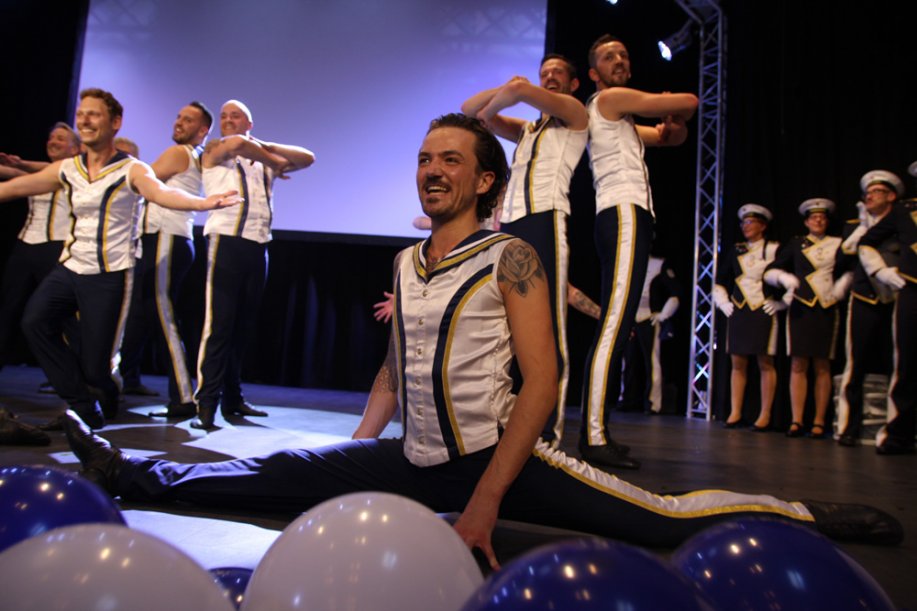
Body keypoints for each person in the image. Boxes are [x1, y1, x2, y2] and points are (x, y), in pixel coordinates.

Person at [63, 114, 902, 572]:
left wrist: (487, 500)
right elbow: (393, 370)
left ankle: (808, 512)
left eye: (450, 161)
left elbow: (543, 383)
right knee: (279, 472)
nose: (431, 170)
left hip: (505, 459)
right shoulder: (404, 261)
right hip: (415, 457)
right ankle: (127, 470)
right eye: (424, 158)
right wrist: (351, 451)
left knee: (660, 518)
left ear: (485, 180)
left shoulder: (512, 256)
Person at [0, 88, 240, 429]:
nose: (85, 120)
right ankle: (83, 406)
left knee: (96, 365)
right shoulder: (70, 168)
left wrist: (204, 203)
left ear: (115, 122)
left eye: (94, 114)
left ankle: (104, 395)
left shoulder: (132, 168)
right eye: (81, 114)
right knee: (34, 322)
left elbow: (161, 192)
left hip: (110, 274)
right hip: (70, 267)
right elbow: (16, 186)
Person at [579, 35, 698, 469]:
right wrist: (672, 107)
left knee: (618, 321)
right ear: (594, 73)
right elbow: (690, 101)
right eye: (609, 56)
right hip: (623, 213)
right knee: (615, 323)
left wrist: (672, 121)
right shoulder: (609, 100)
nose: (620, 60)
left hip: (627, 215)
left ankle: (597, 430)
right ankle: (593, 435)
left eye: (624, 55)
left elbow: (673, 137)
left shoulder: (622, 120)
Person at [460, 54, 588, 446]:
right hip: (513, 224)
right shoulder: (528, 129)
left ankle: (548, 434)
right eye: (544, 73)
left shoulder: (575, 115)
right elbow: (469, 109)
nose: (549, 77)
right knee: (508, 323)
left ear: (573, 83)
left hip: (546, 219)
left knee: (550, 325)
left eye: (557, 73)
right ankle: (509, 421)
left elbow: (511, 94)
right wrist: (500, 97)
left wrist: (503, 99)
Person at [192, 100, 315, 430]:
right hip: (226, 241)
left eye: (236, 116)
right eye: (223, 116)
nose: (227, 120)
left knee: (242, 328)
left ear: (250, 123)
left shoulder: (261, 157)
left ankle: (233, 398)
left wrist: (267, 148)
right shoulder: (216, 149)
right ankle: (206, 403)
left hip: (258, 245)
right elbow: (236, 144)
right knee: (218, 326)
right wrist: (271, 158)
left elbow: (307, 158)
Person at [119, 102, 214, 418]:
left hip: (165, 237)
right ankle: (114, 380)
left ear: (203, 130)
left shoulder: (179, 153)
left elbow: (135, 183)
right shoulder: (192, 155)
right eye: (178, 116)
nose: (179, 122)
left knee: (164, 318)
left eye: (188, 119)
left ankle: (184, 397)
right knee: (142, 316)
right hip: (163, 239)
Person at [0, 123, 81, 373]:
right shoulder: (37, 173)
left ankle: (79, 374)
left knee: (64, 314)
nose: (53, 141)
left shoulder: (77, 171)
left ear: (75, 149)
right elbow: (11, 173)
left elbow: (50, 170)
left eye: (61, 138)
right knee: (7, 308)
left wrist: (21, 163)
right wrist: (14, 166)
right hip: (25, 246)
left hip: (56, 247)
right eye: (51, 137)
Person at [763, 199, 843, 438]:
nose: (818, 221)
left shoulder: (837, 244)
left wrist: (842, 286)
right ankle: (796, 420)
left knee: (822, 365)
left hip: (826, 306)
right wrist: (784, 279)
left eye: (822, 217)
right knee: (798, 364)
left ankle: (819, 421)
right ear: (806, 222)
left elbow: (849, 268)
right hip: (801, 308)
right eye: (813, 218)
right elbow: (771, 270)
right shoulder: (796, 244)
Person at [834, 171, 902, 447]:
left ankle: (895, 429)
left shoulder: (901, 223)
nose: (870, 196)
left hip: (896, 297)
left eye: (877, 191)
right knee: (855, 365)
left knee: (898, 364)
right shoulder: (855, 226)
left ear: (891, 196)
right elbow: (843, 257)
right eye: (868, 193)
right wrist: (863, 225)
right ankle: (847, 427)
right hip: (863, 298)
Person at [857, 172, 914, 455]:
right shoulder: (905, 210)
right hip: (913, 289)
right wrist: (879, 270)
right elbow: (867, 240)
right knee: (908, 364)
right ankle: (900, 434)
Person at [713, 204, 785, 430]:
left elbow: (786, 276)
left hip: (763, 309)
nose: (746, 226)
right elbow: (721, 278)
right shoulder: (736, 250)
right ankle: (735, 411)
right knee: (738, 362)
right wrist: (722, 301)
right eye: (743, 222)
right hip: (740, 309)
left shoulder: (774, 249)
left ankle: (765, 414)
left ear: (762, 226)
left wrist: (782, 302)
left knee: (765, 362)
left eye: (751, 222)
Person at [613, 253, 680, 415]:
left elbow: (676, 292)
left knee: (652, 361)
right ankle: (626, 399)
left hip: (649, 318)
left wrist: (664, 314)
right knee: (628, 360)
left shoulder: (658, 264)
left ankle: (653, 402)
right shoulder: (627, 263)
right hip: (631, 318)